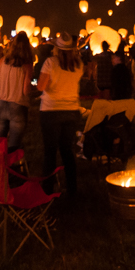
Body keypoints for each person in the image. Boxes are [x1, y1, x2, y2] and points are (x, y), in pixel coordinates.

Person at [37, 33, 83, 196]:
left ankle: (47, 190)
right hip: (71, 111)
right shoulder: (78, 65)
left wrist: (38, 81)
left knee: (50, 152)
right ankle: (72, 188)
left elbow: (41, 86)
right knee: (66, 150)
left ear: (56, 48)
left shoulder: (50, 63)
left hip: (51, 111)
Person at [0, 32, 33, 150]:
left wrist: (4, 87)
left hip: (1, 104)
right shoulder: (27, 65)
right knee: (13, 146)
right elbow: (25, 90)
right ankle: (12, 166)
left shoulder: (2, 61)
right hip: (18, 105)